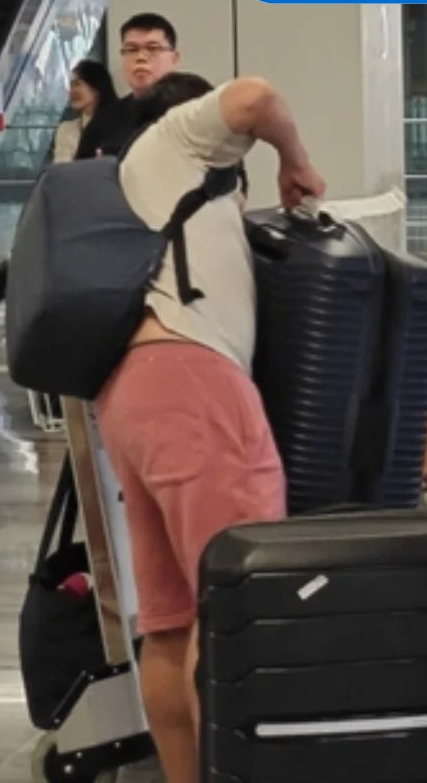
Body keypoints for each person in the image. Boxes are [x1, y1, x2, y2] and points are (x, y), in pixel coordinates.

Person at [91, 71, 325, 783]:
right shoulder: (178, 138)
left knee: (172, 621)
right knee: (237, 608)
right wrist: (295, 159)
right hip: (195, 384)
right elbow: (257, 97)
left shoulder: (138, 180)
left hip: (135, 389)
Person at [76, 13, 181, 160]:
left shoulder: (193, 111)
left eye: (153, 49)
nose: (141, 57)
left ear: (174, 59)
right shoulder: (105, 119)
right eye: (131, 49)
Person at [51, 59, 117, 166]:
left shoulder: (119, 124)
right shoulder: (67, 130)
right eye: (71, 85)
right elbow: (61, 169)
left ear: (96, 88)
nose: (72, 91)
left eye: (77, 84)